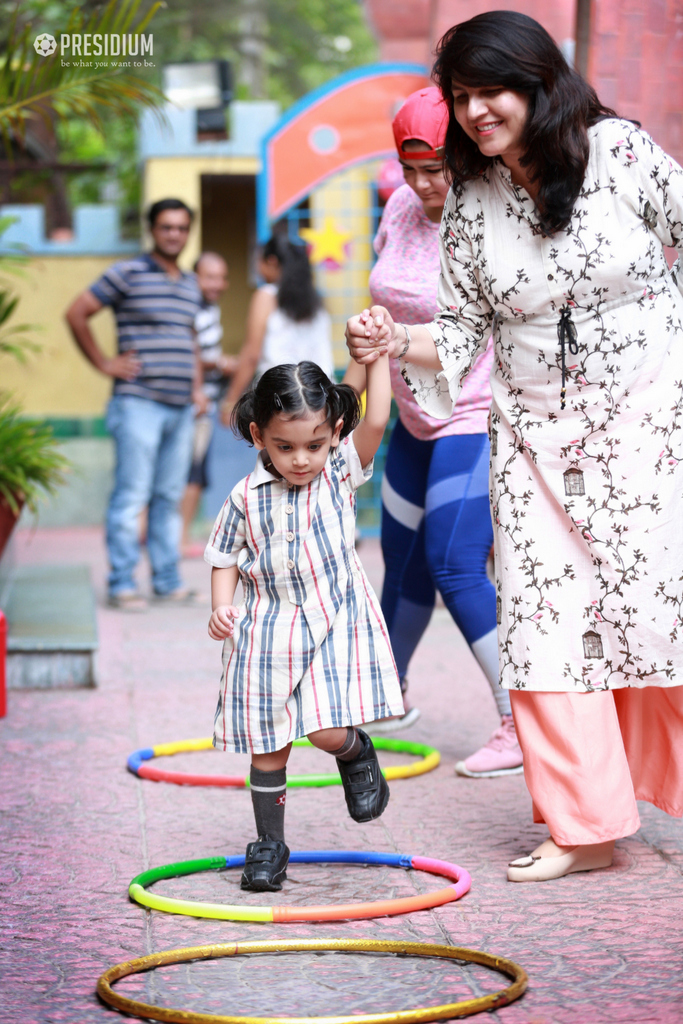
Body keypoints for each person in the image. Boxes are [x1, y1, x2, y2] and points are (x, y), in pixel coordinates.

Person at [346, 10, 683, 881]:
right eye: (459, 96)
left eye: (489, 89)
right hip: (530, 438)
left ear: (538, 82)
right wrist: (391, 343)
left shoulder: (622, 155)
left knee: (657, 613)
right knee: (543, 630)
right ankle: (583, 826)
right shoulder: (467, 200)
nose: (474, 111)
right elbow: (457, 333)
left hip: (648, 428)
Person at [344, 87, 521, 778]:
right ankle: (387, 696)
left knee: (453, 560)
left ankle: (520, 719)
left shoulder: (491, 216)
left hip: (475, 410)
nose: (422, 183)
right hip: (413, 413)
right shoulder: (397, 206)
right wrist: (370, 335)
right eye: (410, 167)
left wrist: (392, 335)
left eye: (435, 168)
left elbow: (471, 332)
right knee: (402, 558)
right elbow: (387, 293)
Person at [205, 359, 403, 892]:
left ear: (334, 433)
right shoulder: (245, 497)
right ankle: (270, 844)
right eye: (285, 446)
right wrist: (222, 606)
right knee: (268, 742)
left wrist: (378, 358)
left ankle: (355, 750)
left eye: (313, 445)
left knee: (320, 729)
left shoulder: (339, 468)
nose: (300, 459)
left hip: (332, 617)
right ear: (258, 437)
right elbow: (224, 555)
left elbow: (379, 418)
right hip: (267, 627)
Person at [65, 198, 206, 610]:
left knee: (168, 497)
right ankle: (122, 582)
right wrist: (104, 363)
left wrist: (197, 388)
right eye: (166, 227)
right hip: (137, 404)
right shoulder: (126, 273)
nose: (174, 235)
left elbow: (189, 339)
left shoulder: (190, 283)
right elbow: (77, 313)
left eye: (181, 228)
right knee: (132, 496)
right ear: (152, 230)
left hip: (181, 408)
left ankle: (166, 581)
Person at [220, 236, 334, 425]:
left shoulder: (266, 296)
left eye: (258, 261)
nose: (257, 268)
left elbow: (251, 355)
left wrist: (231, 400)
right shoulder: (316, 303)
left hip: (282, 399)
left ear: (271, 262)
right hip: (321, 399)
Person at [180, 252, 237, 556]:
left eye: (222, 277)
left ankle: (178, 535)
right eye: (211, 276)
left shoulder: (209, 308)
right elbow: (190, 355)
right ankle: (180, 538)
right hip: (194, 405)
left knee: (197, 472)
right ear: (195, 277)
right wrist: (219, 364)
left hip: (206, 402)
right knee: (192, 471)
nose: (219, 283)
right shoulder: (190, 309)